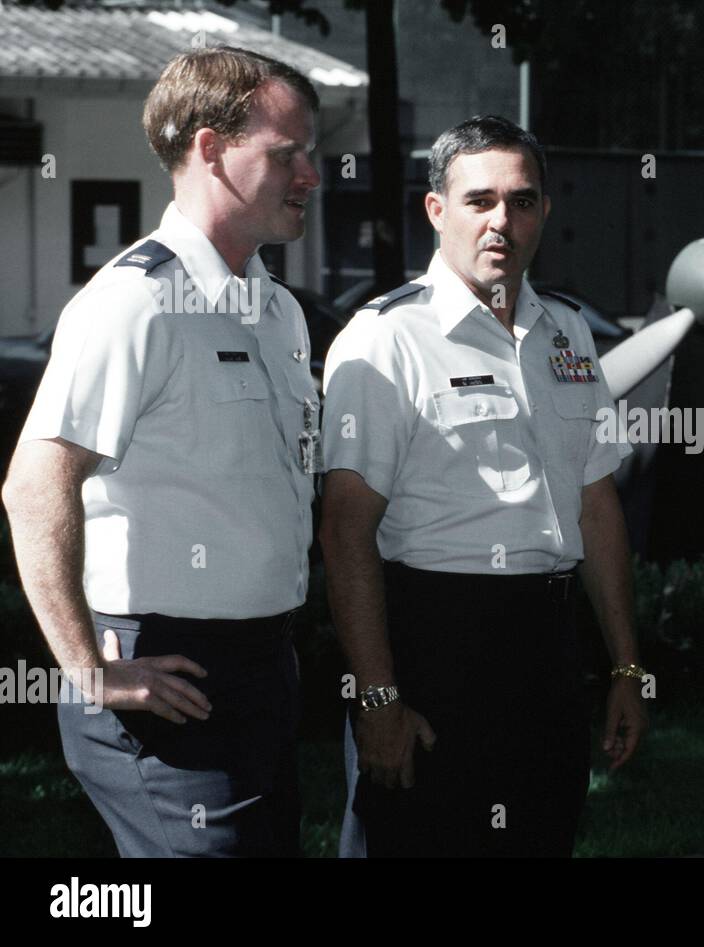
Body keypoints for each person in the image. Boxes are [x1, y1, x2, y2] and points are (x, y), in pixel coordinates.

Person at [1, 48, 322, 856]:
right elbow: (34, 486)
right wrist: (88, 670)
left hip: (265, 667)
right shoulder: (131, 301)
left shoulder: (278, 311)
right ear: (211, 150)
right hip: (166, 671)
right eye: (287, 155)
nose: (311, 175)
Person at [320, 114, 648, 857]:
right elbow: (344, 529)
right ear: (437, 210)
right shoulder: (386, 337)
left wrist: (626, 667)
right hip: (435, 645)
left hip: (547, 652)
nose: (503, 220)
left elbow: (597, 505)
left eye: (523, 201)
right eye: (480, 201)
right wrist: (378, 696)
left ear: (544, 213)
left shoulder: (568, 331)